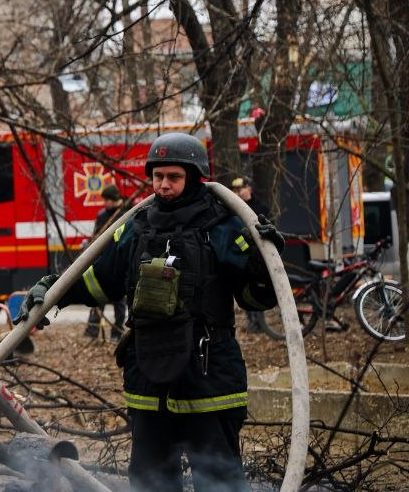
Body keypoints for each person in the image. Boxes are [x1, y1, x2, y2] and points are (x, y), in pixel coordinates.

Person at [16, 133, 281, 492]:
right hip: (149, 379)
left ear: (194, 177)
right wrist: (54, 289)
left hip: (208, 377)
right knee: (150, 482)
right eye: (158, 177)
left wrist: (262, 263)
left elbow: (255, 298)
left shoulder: (223, 227)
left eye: (174, 177)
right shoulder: (135, 227)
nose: (164, 185)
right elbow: (98, 279)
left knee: (219, 482)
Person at [85, 184, 128, 341]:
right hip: (104, 263)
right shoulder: (102, 215)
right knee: (97, 297)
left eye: (107, 200)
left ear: (114, 199)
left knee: (119, 302)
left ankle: (117, 333)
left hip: (120, 264)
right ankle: (92, 331)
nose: (104, 203)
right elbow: (96, 236)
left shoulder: (124, 213)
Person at [232, 177, 274, 334]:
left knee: (258, 287)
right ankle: (252, 321)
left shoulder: (261, 207)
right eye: (235, 191)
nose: (238, 193)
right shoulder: (234, 208)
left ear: (249, 188)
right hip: (242, 253)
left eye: (240, 189)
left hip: (259, 255)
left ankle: (259, 321)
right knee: (244, 288)